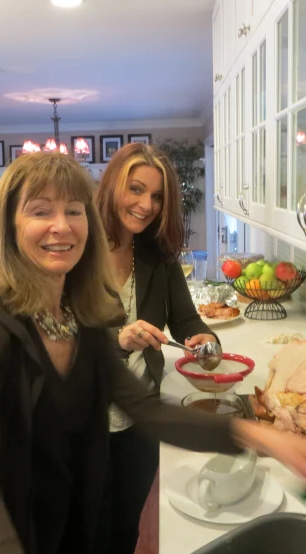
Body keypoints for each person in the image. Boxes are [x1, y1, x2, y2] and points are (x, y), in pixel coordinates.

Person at [0, 152, 306, 554]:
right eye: (40, 211)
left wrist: (259, 437)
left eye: (74, 210)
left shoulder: (83, 320)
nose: (61, 226)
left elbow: (147, 410)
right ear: (8, 227)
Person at [94, 142, 217, 553]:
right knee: (87, 532)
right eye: (135, 189)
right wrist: (118, 340)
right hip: (85, 421)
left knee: (126, 526)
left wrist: (206, 338)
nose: (146, 205)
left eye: (157, 196)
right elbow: (58, 339)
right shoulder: (78, 251)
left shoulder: (156, 254)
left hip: (139, 421)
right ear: (112, 186)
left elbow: (186, 319)